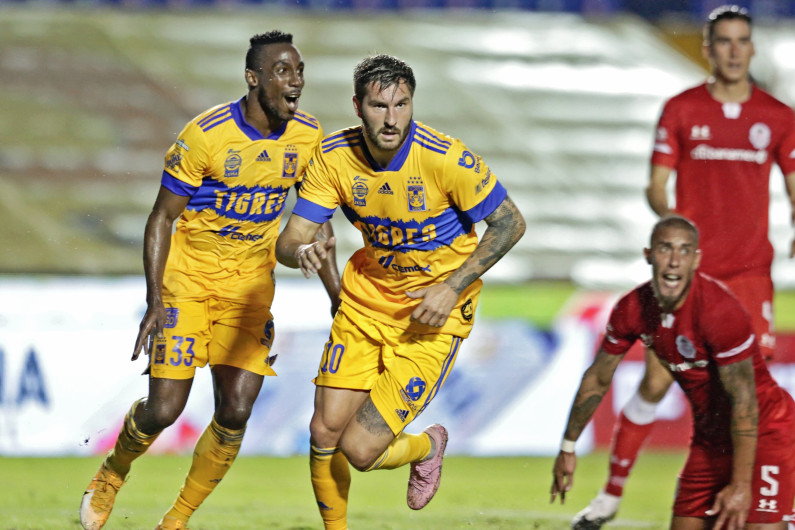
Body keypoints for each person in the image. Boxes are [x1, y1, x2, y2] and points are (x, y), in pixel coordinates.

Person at [79, 31, 339, 530]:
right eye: (283, 71)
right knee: (164, 409)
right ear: (253, 78)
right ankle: (114, 471)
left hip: (250, 289)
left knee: (237, 410)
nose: (296, 81)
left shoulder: (308, 137)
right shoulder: (206, 134)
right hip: (188, 282)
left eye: (299, 70)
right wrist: (154, 300)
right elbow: (161, 218)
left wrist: (336, 297)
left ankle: (175, 521)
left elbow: (317, 223)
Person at [274, 54, 526, 529]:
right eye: (378, 106)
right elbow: (291, 238)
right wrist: (302, 249)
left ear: (412, 102)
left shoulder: (445, 157)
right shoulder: (333, 157)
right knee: (323, 430)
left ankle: (428, 445)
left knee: (361, 450)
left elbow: (510, 222)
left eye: (401, 104)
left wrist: (451, 287)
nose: (391, 119)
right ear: (357, 105)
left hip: (432, 316)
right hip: (367, 304)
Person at [572, 5, 795, 528]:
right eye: (724, 41)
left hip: (749, 275)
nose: (734, 50)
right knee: (655, 382)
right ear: (708, 48)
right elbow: (656, 182)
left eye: (743, 40)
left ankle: (767, 497)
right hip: (692, 278)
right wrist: (671, 220)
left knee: (751, 390)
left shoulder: (779, 117)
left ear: (753, 48)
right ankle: (610, 493)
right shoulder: (681, 109)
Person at [552, 215, 795, 530]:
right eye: (666, 249)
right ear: (649, 255)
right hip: (710, 441)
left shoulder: (719, 311)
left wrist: (740, 484)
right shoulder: (632, 309)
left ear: (696, 260)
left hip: (765, 431)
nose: (674, 261)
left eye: (684, 251)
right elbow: (598, 377)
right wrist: (568, 446)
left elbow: (745, 402)